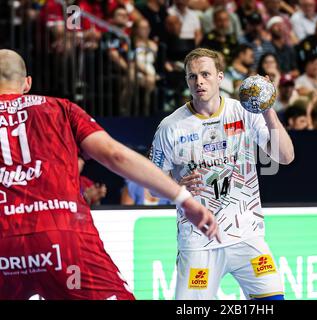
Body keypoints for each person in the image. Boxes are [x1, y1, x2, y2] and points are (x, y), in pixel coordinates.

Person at [0, 49, 218, 300]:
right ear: (27, 83)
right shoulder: (60, 109)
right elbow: (116, 155)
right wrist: (183, 198)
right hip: (63, 240)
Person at [149, 48, 294, 300]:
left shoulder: (245, 112)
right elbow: (152, 186)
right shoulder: (170, 127)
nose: (199, 81)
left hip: (247, 235)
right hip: (198, 240)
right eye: (192, 76)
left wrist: (268, 109)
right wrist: (175, 184)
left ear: (220, 77)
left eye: (205, 74)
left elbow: (285, 157)